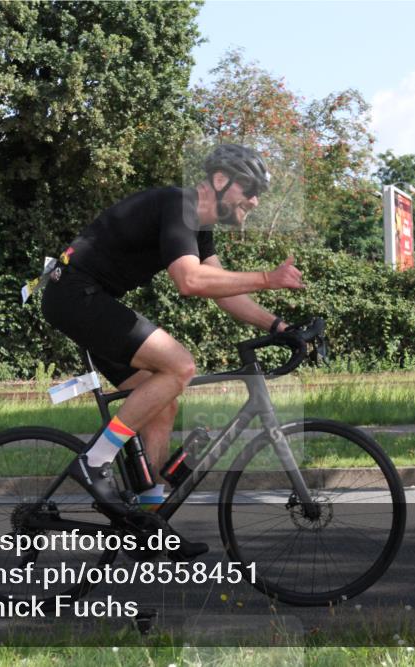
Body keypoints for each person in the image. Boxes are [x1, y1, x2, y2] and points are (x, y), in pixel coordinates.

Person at [41, 144, 305, 533]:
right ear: (219, 181)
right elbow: (190, 280)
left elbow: (222, 291)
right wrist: (268, 278)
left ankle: (148, 520)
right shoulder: (179, 204)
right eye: (249, 189)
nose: (254, 200)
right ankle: (94, 461)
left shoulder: (200, 226)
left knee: (161, 399)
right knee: (180, 365)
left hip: (85, 299)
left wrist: (278, 327)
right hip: (75, 293)